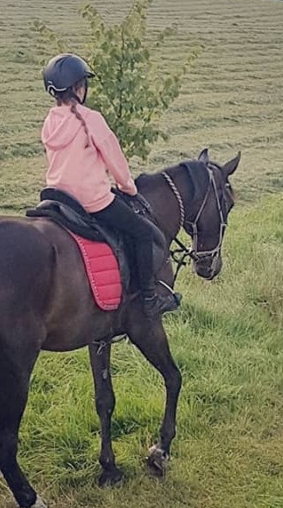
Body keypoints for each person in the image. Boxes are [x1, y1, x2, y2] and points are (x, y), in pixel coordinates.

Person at [40, 53, 179, 319]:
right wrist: (129, 188)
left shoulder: (50, 122)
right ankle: (149, 299)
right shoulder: (90, 119)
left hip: (58, 198)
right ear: (79, 88)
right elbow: (116, 162)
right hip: (91, 200)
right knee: (143, 233)